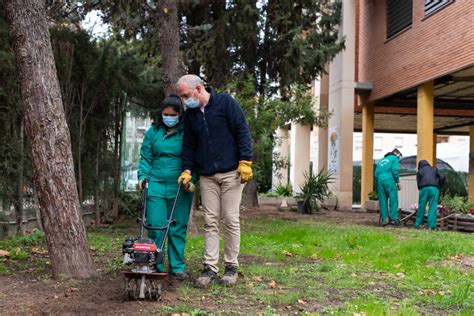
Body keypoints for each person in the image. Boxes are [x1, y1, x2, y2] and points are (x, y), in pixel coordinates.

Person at [176, 74, 253, 288]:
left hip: (232, 173)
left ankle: (231, 267)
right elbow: (189, 146)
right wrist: (187, 170)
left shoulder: (225, 103)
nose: (184, 101)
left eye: (186, 95)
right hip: (207, 176)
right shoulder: (191, 116)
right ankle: (210, 267)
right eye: (182, 97)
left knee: (230, 218)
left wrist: (245, 160)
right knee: (210, 221)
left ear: (199, 89)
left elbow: (242, 131)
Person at [137, 95, 197, 280]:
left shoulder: (187, 132)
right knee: (155, 225)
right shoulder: (153, 132)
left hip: (179, 185)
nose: (168, 117)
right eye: (165, 114)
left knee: (177, 227)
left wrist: (191, 179)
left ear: (180, 114)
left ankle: (177, 267)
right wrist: (142, 177)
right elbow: (146, 157)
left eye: (172, 114)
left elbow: (193, 157)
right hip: (155, 184)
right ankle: (156, 263)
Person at [374, 148, 402, 226]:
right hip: (389, 179)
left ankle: (384, 220)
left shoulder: (381, 160)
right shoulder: (394, 158)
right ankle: (393, 219)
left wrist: (380, 180)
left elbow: (376, 174)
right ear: (397, 154)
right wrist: (397, 181)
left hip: (380, 180)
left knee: (383, 200)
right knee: (393, 199)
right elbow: (395, 170)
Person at [415, 160, 445, 230]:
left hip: (424, 189)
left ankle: (418, 224)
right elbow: (442, 177)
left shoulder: (419, 171)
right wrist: (438, 186)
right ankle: (431, 226)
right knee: (432, 207)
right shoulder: (434, 169)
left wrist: (422, 188)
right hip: (434, 189)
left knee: (421, 206)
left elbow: (418, 185)